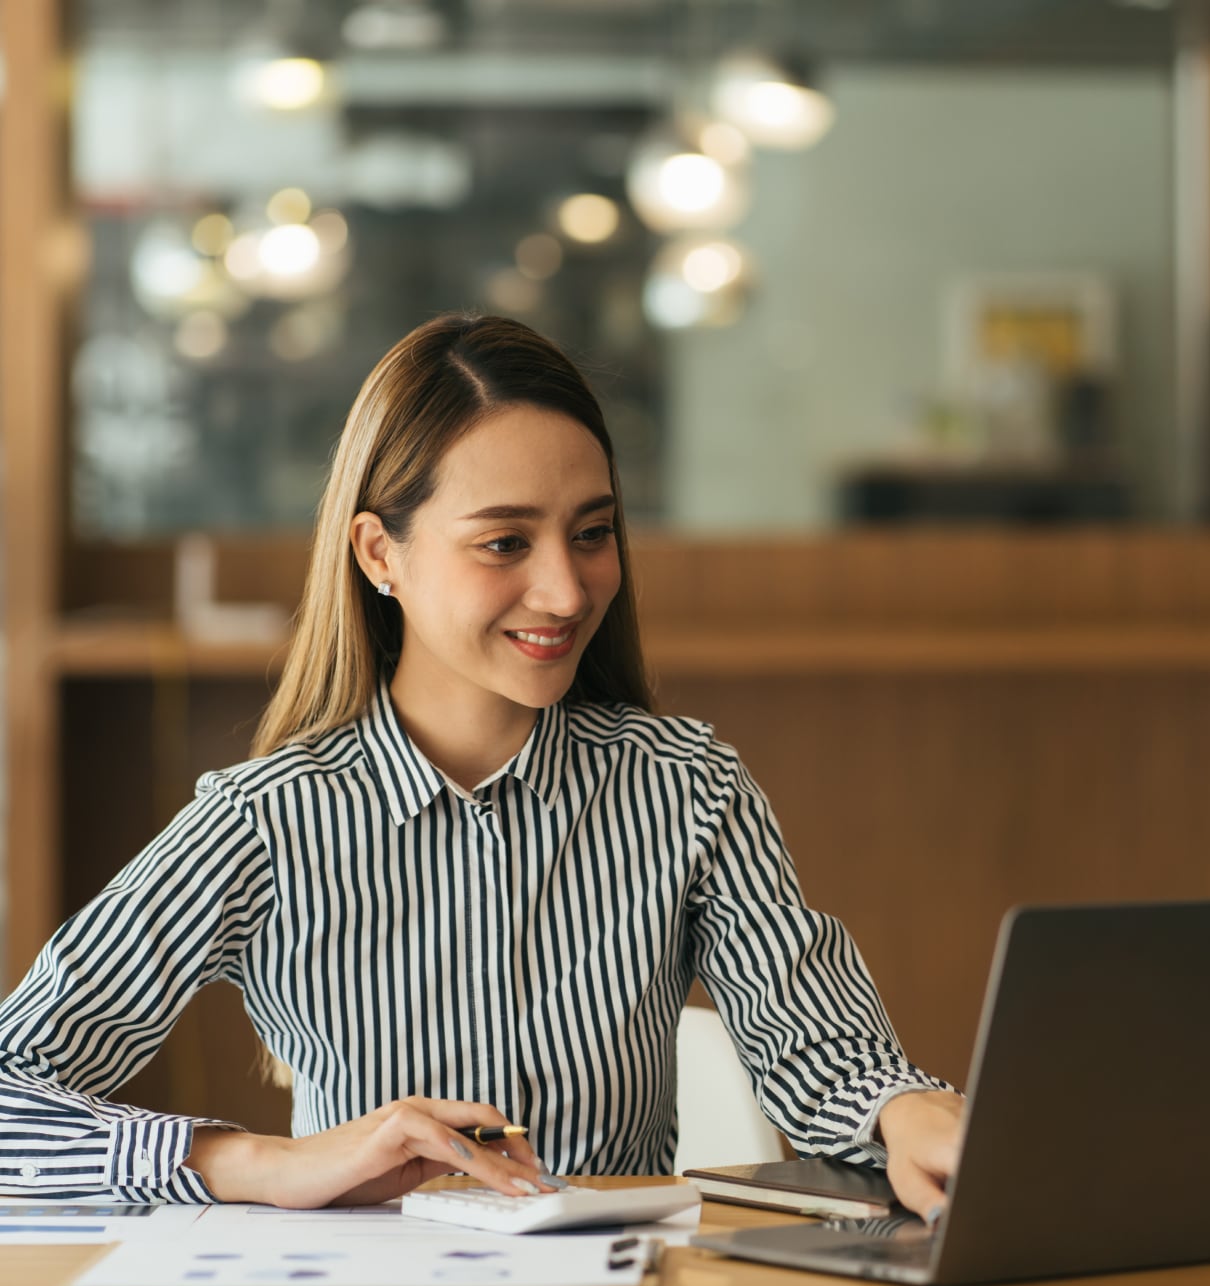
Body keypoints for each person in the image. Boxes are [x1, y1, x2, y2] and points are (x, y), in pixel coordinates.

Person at [0, 313, 962, 1219]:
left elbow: (826, 1058)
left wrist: (906, 1112)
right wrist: (262, 1163)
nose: (565, 588)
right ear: (381, 553)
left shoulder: (688, 786)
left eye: (592, 533)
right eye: (505, 541)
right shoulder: (265, 820)